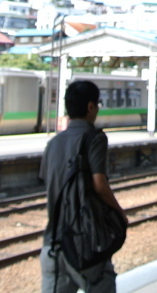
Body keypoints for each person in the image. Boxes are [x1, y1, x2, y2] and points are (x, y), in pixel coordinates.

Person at [40, 80, 127, 293]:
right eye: (97, 103)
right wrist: (119, 214)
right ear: (90, 107)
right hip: (84, 245)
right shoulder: (94, 138)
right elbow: (99, 184)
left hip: (52, 245)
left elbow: (48, 181)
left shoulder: (53, 143)